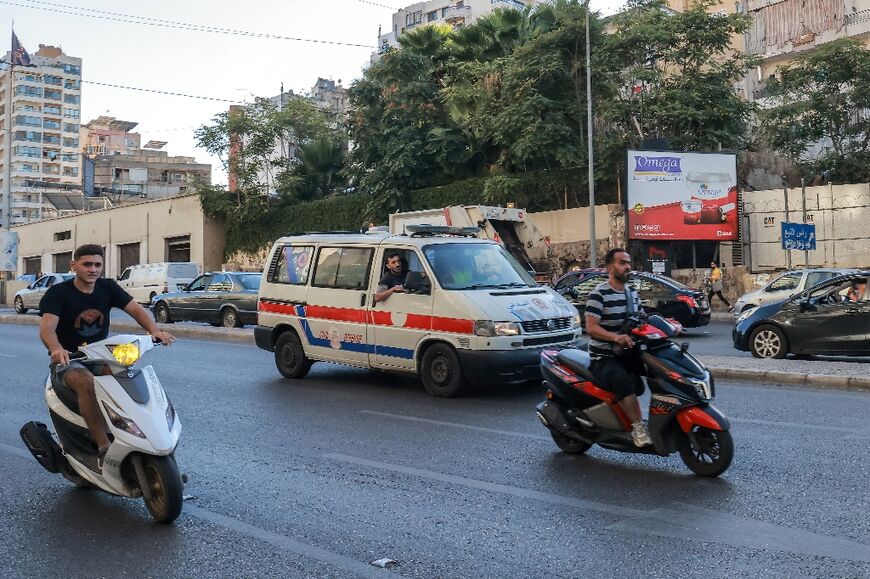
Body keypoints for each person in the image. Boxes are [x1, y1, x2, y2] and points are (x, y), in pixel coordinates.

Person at [38, 244, 176, 465]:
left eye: (97, 264)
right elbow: (47, 329)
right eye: (87, 264)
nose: (93, 269)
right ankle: (103, 446)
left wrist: (155, 331)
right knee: (85, 381)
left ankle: (138, 434)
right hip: (68, 360)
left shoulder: (108, 288)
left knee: (124, 377)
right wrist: (56, 349)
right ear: (74, 265)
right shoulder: (58, 293)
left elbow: (137, 310)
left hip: (101, 355)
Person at [584, 248, 652, 447]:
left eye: (629, 262)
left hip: (627, 353)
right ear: (610, 268)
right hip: (603, 357)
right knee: (622, 380)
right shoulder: (599, 294)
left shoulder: (633, 294)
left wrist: (667, 326)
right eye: (622, 263)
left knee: (659, 370)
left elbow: (641, 320)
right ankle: (637, 429)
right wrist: (615, 337)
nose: (628, 267)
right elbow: (591, 328)